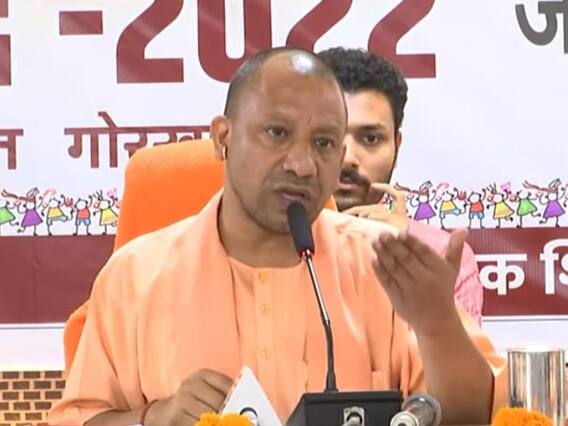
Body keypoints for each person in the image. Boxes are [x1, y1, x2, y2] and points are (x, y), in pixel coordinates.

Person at [49, 47, 506, 426]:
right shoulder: (134, 277)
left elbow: (477, 417)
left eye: (323, 143)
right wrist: (154, 418)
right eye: (277, 133)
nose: (302, 165)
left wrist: (437, 323)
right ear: (223, 138)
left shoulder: (380, 264)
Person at [318, 47, 484, 323]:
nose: (348, 158)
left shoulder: (439, 255)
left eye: (370, 139)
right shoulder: (268, 245)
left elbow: (461, 353)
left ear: (396, 144)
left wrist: (406, 271)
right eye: (327, 138)